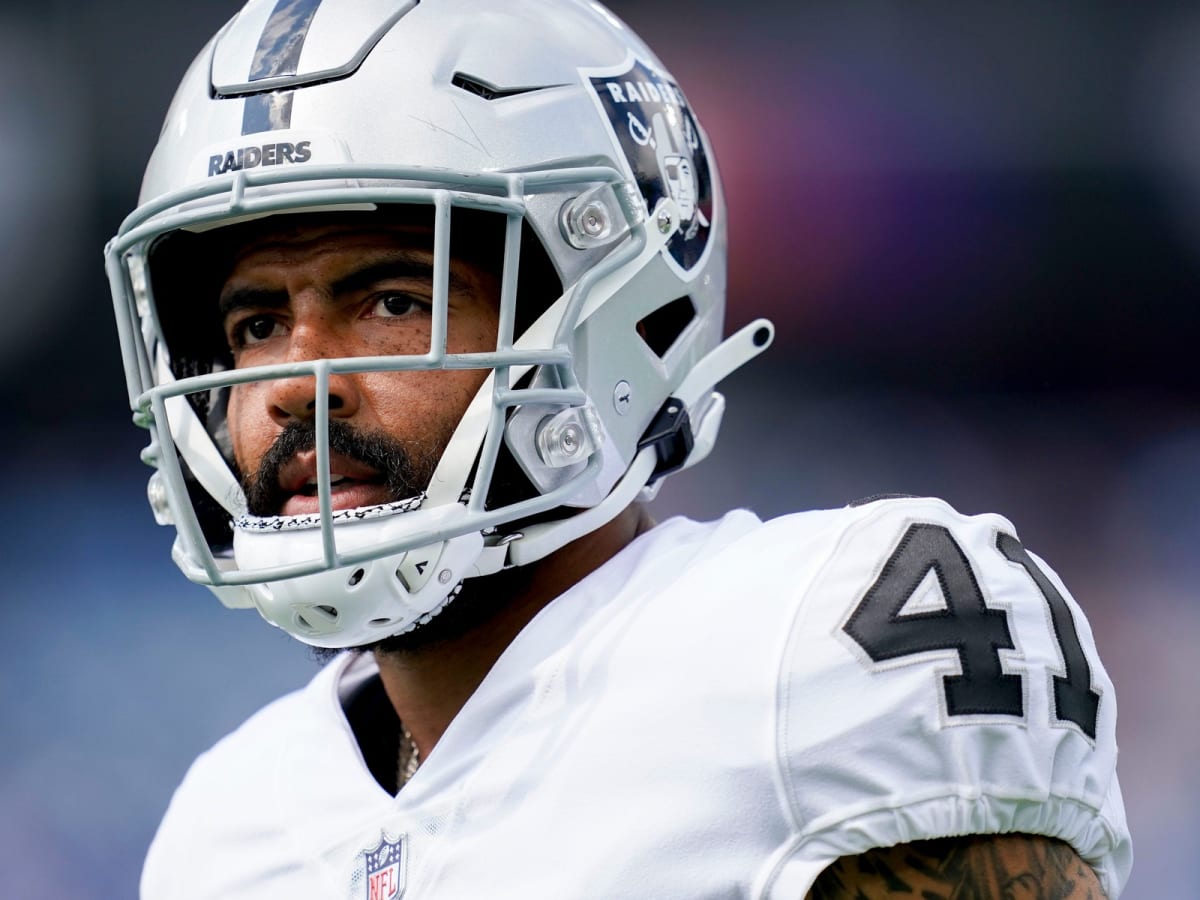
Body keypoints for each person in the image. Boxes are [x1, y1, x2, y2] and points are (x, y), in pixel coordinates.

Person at [106, 1, 1132, 897]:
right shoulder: (222, 833)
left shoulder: (808, 656)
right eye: (253, 323)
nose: (291, 381)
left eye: (390, 302)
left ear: (610, 319)